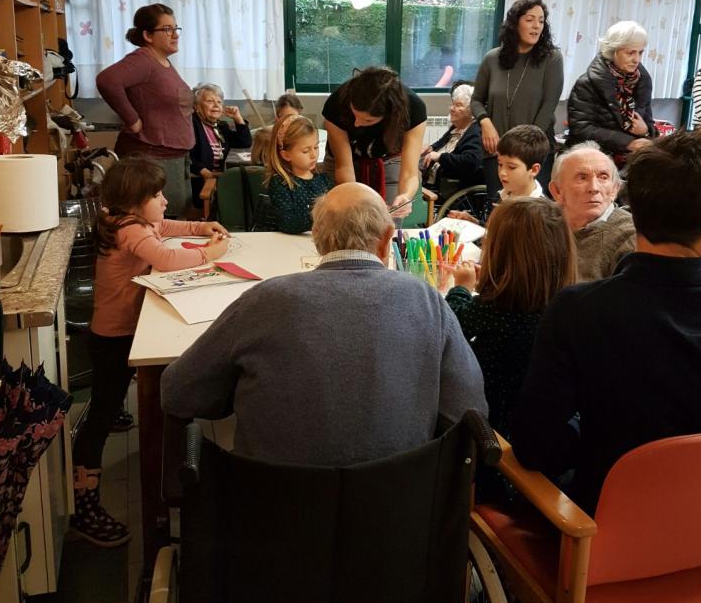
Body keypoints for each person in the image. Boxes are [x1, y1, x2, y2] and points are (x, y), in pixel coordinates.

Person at [161, 183, 488, 465]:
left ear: (316, 238)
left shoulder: (264, 299)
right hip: (400, 507)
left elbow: (177, 392)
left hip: (273, 507)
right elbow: (468, 411)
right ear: (387, 239)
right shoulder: (427, 300)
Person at [512, 129, 701, 515]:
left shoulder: (577, 311)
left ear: (635, 212)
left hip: (599, 533)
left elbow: (535, 447)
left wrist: (588, 434)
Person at [71, 157, 228, 546]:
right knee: (100, 413)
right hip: (114, 336)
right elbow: (168, 258)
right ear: (133, 201)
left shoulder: (136, 221)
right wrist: (210, 253)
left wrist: (200, 227)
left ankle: (116, 415)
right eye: (156, 195)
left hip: (119, 330)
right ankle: (82, 503)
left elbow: (167, 227)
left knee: (112, 395)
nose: (164, 200)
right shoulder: (130, 229)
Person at [446, 197, 576, 445]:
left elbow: (453, 324)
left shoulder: (497, 309)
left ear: (500, 255)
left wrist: (461, 288)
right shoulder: (565, 311)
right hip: (542, 433)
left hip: (490, 435)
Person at [96, 3, 194, 217]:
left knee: (172, 220)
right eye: (167, 29)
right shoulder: (143, 59)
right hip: (152, 159)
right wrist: (132, 120)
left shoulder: (161, 61)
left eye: (175, 28)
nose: (175, 35)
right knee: (156, 223)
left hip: (171, 158)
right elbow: (107, 80)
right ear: (148, 35)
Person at [471, 0, 563, 197]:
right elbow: (476, 100)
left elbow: (548, 106)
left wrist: (525, 148)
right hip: (497, 151)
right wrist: (485, 123)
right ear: (515, 23)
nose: (536, 25)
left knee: (530, 210)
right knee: (498, 208)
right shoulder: (492, 58)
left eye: (541, 20)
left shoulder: (552, 59)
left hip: (533, 153)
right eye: (530, 19)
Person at [322, 66, 427, 216]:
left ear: (389, 114)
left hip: (389, 159)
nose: (356, 123)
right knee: (344, 216)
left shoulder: (414, 109)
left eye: (367, 120)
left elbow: (409, 173)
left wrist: (405, 196)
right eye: (354, 114)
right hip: (345, 162)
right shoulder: (337, 102)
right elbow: (344, 167)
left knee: (388, 218)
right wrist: (356, 199)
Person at [566, 21, 656, 159]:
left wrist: (646, 131)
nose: (636, 59)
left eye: (640, 52)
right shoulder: (587, 84)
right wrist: (627, 143)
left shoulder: (642, 81)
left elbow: (649, 125)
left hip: (631, 160)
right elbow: (581, 129)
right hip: (594, 158)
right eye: (630, 53)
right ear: (613, 51)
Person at [549, 142, 636, 281]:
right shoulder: (542, 225)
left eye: (603, 177)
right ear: (557, 191)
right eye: (582, 177)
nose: (594, 188)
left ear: (615, 190)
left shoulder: (629, 237)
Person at [261, 115, 333, 234]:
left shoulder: (324, 180)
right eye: (306, 151)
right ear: (286, 155)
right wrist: (321, 217)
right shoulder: (280, 183)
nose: (314, 155)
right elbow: (288, 223)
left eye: (316, 147)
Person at [189, 83, 252, 206]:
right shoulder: (191, 124)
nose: (216, 105)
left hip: (220, 180)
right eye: (210, 101)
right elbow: (186, 156)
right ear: (197, 106)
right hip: (201, 183)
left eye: (219, 102)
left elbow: (244, 142)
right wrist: (203, 171)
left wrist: (238, 118)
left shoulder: (221, 126)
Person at [421, 83, 482, 196]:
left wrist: (440, 157)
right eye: (453, 104)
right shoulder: (456, 128)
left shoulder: (476, 132)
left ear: (472, 111)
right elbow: (440, 144)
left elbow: (471, 161)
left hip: (449, 188)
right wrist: (430, 148)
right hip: (432, 181)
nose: (452, 108)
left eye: (458, 105)